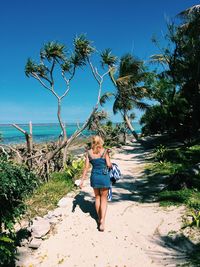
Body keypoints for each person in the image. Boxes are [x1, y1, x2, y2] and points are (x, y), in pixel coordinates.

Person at [79, 135, 112, 232]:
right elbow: (109, 165)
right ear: (100, 141)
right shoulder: (105, 151)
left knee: (97, 197)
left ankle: (99, 218)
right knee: (104, 198)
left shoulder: (89, 152)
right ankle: (103, 221)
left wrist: (82, 181)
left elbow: (86, 168)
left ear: (92, 142)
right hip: (104, 176)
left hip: (94, 177)